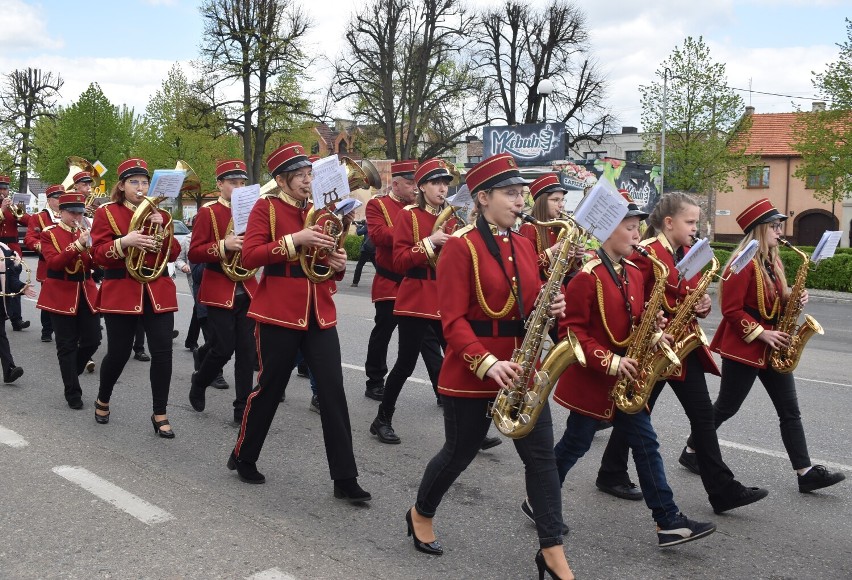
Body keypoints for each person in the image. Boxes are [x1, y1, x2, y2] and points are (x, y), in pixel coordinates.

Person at [407, 153, 574, 579]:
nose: (521, 201)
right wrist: (486, 363)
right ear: (482, 198)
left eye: (522, 193)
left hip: (523, 371)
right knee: (459, 454)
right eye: (511, 193)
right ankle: (421, 513)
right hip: (474, 371)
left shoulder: (525, 243)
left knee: (542, 461)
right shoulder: (461, 246)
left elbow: (528, 303)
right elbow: (453, 320)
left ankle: (552, 551)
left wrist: (552, 304)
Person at [549, 192, 717, 548]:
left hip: (625, 379)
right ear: (608, 231)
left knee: (644, 444)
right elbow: (572, 332)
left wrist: (655, 331)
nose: (638, 234)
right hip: (595, 379)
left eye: (638, 226)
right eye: (630, 227)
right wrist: (610, 361)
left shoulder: (633, 273)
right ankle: (541, 497)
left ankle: (667, 520)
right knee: (575, 444)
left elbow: (635, 318)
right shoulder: (586, 276)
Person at [594, 192, 769, 514]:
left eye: (696, 222)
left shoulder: (691, 252)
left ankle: (721, 489)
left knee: (696, 416)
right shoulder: (646, 254)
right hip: (656, 347)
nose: (695, 227)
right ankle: (611, 472)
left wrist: (702, 306)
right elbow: (632, 300)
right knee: (636, 412)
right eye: (690, 222)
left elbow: (692, 297)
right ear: (669, 222)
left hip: (682, 348)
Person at [228, 142, 370, 503]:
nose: (308, 181)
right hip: (277, 310)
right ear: (281, 179)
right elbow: (251, 254)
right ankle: (244, 454)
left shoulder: (322, 211)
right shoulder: (267, 207)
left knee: (333, 392)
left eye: (310, 174)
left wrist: (336, 263)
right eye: (301, 176)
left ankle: (345, 477)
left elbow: (324, 263)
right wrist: (295, 239)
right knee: (271, 389)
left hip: (319, 313)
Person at [683, 198, 845, 494]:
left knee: (789, 410)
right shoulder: (740, 263)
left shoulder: (773, 260)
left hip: (774, 345)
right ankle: (692, 449)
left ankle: (805, 472)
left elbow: (775, 301)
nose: (780, 230)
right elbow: (731, 311)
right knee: (727, 407)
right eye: (774, 225)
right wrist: (761, 334)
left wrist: (794, 297)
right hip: (745, 347)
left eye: (780, 224)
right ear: (758, 230)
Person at [90, 158, 181, 438]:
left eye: (144, 182)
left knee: (163, 353)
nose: (140, 187)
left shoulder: (161, 215)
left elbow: (174, 253)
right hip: (122, 291)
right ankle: (103, 397)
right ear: (122, 186)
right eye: (134, 182)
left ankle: (160, 413)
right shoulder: (107, 212)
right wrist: (124, 242)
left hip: (157, 291)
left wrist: (163, 229)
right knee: (118, 353)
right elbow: (97, 254)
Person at [369, 159, 455, 444]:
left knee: (459, 362)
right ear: (422, 187)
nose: (442, 188)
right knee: (405, 364)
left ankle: (466, 427)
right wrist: (431, 242)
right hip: (416, 297)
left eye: (445, 183)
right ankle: (382, 419)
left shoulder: (453, 218)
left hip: (446, 298)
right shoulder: (409, 215)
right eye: (436, 183)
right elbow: (400, 260)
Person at [363, 161, 443, 402]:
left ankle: (441, 388)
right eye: (410, 183)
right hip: (390, 280)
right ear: (395, 184)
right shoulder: (378, 204)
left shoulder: (425, 209)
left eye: (416, 183)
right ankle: (374, 380)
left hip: (419, 284)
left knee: (428, 339)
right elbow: (377, 235)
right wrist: (414, 234)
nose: (414, 189)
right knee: (383, 331)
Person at [188, 159, 259, 423]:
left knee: (247, 352)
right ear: (220, 184)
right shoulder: (208, 212)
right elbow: (195, 252)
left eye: (242, 183)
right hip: (219, 287)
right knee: (223, 348)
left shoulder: (254, 210)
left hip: (248, 288)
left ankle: (242, 408)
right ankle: (200, 381)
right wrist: (224, 245)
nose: (239, 187)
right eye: (233, 183)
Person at [36, 192, 101, 410]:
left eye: (80, 213)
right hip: (60, 293)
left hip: (86, 290)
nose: (77, 217)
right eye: (72, 213)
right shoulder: (50, 234)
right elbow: (54, 264)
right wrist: (77, 246)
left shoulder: (84, 231)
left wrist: (95, 250)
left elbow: (93, 264)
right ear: (61, 212)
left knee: (93, 339)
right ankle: (72, 391)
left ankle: (73, 370)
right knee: (66, 345)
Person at [25, 183, 64, 342]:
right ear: (49, 200)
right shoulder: (39, 217)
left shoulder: (68, 214)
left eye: (62, 197)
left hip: (68, 261)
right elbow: (29, 239)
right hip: (47, 263)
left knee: (65, 296)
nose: (61, 200)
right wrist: (43, 247)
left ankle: (63, 328)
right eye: (57, 198)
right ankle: (47, 330)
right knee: (49, 297)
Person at [0, 175, 29, 331]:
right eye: (1, 189)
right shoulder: (3, 207)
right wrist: (2, 209)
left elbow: (29, 221)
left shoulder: (13, 207)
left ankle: (16, 320)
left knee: (14, 284)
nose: (4, 192)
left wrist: (20, 211)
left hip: (12, 251)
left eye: (5, 189)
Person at [0, 240, 26, 383]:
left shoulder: (4, 250)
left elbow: (11, 279)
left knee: (1, 335)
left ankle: (9, 370)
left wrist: (22, 287)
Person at [350, 219, 374, 287]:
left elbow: (359, 233)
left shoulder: (367, 225)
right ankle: (382, 282)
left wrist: (358, 227)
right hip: (374, 249)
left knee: (359, 266)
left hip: (366, 249)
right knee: (378, 267)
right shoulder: (374, 225)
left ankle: (355, 282)